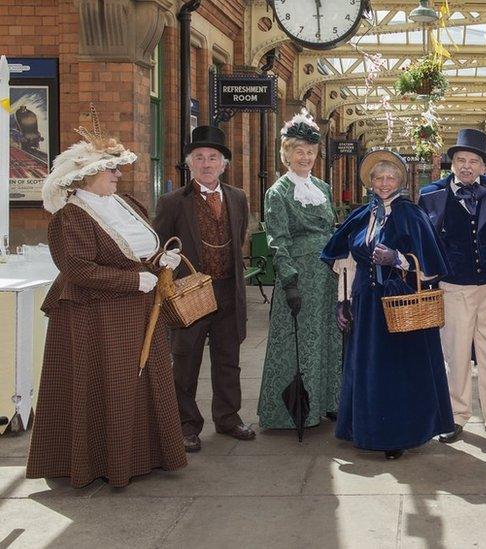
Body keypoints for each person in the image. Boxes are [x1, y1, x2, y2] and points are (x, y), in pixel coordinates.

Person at [27, 108, 186, 487]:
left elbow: (136, 250)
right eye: (110, 169)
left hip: (137, 311)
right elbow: (78, 268)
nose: (118, 174)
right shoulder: (71, 216)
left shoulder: (125, 203)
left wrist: (160, 260)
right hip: (94, 316)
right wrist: (135, 283)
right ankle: (101, 462)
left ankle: (143, 455)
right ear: (86, 176)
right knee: (109, 384)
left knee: (140, 382)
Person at [321, 150, 454, 460]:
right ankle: (365, 429)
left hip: (400, 305)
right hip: (367, 305)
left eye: (390, 177)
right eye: (378, 177)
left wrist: (398, 259)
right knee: (366, 369)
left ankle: (398, 435)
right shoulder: (361, 214)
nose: (383, 183)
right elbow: (346, 261)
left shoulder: (411, 214)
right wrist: (344, 303)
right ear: (370, 181)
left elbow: (432, 263)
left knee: (398, 372)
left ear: (400, 181)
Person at [418, 128, 486, 443]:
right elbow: (424, 241)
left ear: (482, 166)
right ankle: (454, 416)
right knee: (455, 355)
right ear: (452, 163)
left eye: (473, 161)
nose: (467, 166)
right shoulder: (432, 195)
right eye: (461, 160)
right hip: (452, 289)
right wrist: (430, 274)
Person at [154, 126, 254, 453]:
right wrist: (165, 262)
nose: (207, 163)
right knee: (185, 360)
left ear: (224, 164)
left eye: (213, 158)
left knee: (228, 359)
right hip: (189, 294)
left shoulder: (238, 197)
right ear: (189, 164)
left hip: (227, 290)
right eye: (199, 158)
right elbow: (159, 247)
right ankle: (186, 425)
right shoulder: (172, 202)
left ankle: (227, 418)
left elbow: (238, 240)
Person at [257, 111, 342, 430]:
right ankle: (296, 410)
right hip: (301, 278)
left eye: (310, 151)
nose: (305, 157)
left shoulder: (322, 187)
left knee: (327, 336)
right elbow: (277, 239)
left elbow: (332, 226)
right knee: (300, 340)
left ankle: (327, 402)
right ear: (286, 154)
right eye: (298, 151)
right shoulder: (277, 192)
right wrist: (289, 281)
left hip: (328, 276)